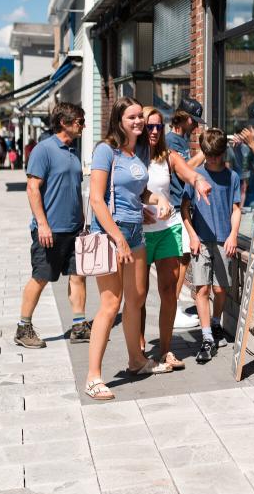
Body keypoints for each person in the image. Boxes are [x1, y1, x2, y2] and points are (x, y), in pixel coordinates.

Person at [85, 97, 211, 401]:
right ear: (119, 120)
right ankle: (93, 376)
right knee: (110, 304)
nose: (139, 122)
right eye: (133, 117)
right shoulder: (106, 150)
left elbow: (139, 191)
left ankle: (136, 360)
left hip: (135, 232)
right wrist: (118, 239)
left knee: (137, 298)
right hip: (111, 233)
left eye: (141, 116)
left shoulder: (136, 151)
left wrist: (158, 200)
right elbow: (96, 200)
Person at [139, 106, 211, 369]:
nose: (155, 131)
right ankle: (139, 350)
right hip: (139, 234)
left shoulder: (166, 155)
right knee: (139, 294)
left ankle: (166, 351)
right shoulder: (129, 157)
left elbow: (186, 171)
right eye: (150, 126)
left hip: (168, 229)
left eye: (159, 126)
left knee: (169, 292)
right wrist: (137, 209)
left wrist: (198, 181)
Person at [15, 103, 90, 350]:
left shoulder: (72, 150)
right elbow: (32, 188)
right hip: (50, 229)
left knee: (78, 276)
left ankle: (79, 326)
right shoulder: (43, 150)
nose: (83, 125)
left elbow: (74, 190)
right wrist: (42, 224)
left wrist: (82, 222)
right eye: (79, 121)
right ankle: (23, 327)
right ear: (63, 122)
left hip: (74, 228)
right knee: (41, 277)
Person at [182, 128, 242, 364]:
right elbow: (184, 208)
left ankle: (216, 323)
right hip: (201, 241)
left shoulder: (232, 177)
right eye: (209, 155)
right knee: (202, 289)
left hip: (223, 239)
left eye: (217, 155)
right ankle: (206, 336)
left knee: (220, 289)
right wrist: (192, 235)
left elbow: (236, 209)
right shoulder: (195, 175)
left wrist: (234, 235)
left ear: (223, 153)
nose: (213, 159)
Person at [165, 103, 206, 328]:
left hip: (181, 203)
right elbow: (183, 170)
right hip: (174, 205)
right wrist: (202, 154)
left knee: (184, 257)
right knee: (181, 257)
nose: (195, 126)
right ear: (183, 118)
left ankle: (174, 306)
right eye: (193, 121)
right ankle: (173, 309)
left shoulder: (180, 141)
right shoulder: (171, 141)